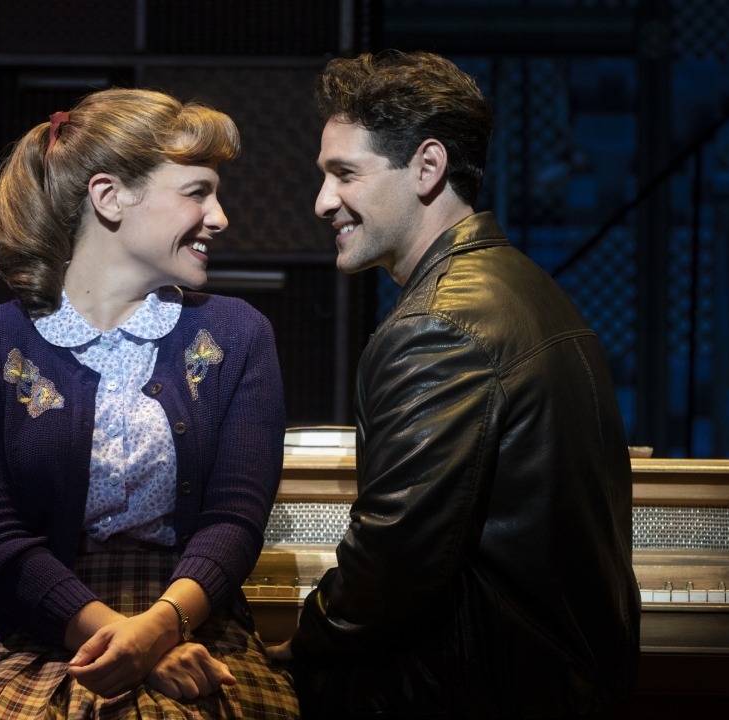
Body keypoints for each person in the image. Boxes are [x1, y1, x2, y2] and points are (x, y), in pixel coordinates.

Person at [268, 51, 641, 719]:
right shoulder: (528, 287)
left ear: (428, 167)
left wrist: (306, 641)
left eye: (344, 173)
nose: (322, 201)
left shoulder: (438, 326)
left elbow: (394, 561)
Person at [0, 87, 299, 719]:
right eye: (198, 192)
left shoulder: (237, 335)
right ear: (109, 197)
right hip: (33, 623)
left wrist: (160, 628)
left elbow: (234, 520)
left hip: (193, 614)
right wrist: (131, 645)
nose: (219, 218)